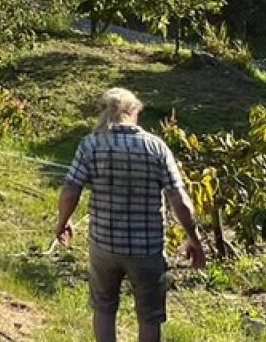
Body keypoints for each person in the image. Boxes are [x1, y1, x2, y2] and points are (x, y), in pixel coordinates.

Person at [52, 88, 205, 342]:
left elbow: (70, 191)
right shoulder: (156, 147)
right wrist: (194, 239)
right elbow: (180, 200)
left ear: (104, 112)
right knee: (149, 317)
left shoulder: (90, 145)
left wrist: (62, 222)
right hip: (147, 250)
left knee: (103, 308)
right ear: (134, 113)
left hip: (104, 246)